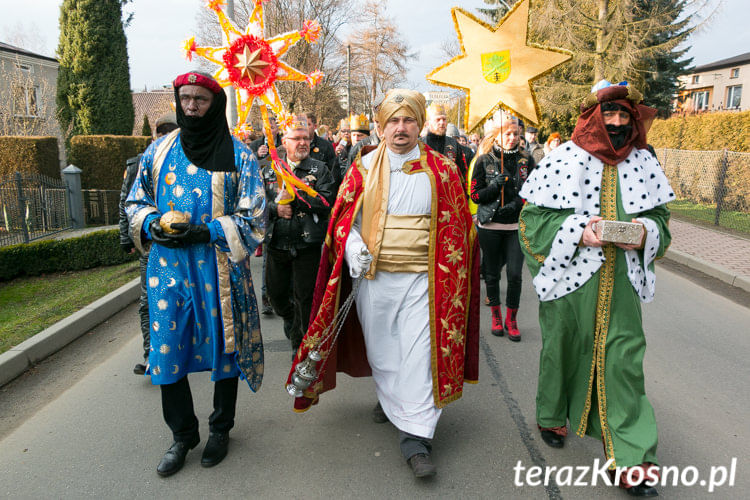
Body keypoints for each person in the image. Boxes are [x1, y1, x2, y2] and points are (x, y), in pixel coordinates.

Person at [286, 89, 480, 478]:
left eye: (408, 120)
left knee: (419, 357)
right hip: (375, 282)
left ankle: (416, 439)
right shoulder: (362, 167)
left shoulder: (442, 170)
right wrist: (353, 244)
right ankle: (393, 402)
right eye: (393, 120)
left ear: (420, 125)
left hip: (425, 284)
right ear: (380, 126)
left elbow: (460, 229)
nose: (401, 127)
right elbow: (344, 221)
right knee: (385, 353)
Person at [518, 81, 675, 497]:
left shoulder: (644, 162)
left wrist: (645, 234)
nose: (619, 123)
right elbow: (531, 223)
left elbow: (662, 221)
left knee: (624, 360)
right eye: (611, 116)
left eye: (625, 116)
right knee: (561, 348)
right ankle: (551, 413)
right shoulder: (563, 159)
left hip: (622, 283)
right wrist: (578, 232)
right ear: (593, 118)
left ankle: (632, 457)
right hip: (570, 281)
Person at [125, 71, 266, 477]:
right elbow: (136, 201)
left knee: (225, 347)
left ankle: (221, 429)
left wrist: (207, 231)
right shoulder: (158, 151)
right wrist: (152, 224)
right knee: (167, 349)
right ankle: (183, 435)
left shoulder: (238, 155)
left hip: (218, 267)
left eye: (200, 100)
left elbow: (256, 215)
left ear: (214, 104)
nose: (190, 106)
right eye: (185, 98)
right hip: (167, 270)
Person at [263, 115, 335, 353]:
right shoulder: (268, 168)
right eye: (296, 138)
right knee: (277, 297)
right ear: (284, 141)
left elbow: (327, 201)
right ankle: (292, 323)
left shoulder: (319, 168)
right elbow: (254, 204)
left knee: (305, 298)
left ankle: (300, 346)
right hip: (277, 243)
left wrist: (297, 199)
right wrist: (275, 208)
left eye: (306, 138)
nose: (303, 143)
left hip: (307, 244)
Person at [120, 112, 178, 375]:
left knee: (176, 299)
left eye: (171, 131)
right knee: (147, 302)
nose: (165, 137)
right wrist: (127, 237)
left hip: (180, 245)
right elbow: (127, 203)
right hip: (150, 244)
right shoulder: (138, 164)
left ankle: (178, 348)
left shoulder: (186, 164)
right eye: (161, 132)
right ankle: (152, 356)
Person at [469, 120, 534, 341]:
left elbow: (534, 191)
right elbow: (475, 196)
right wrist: (495, 186)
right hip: (490, 225)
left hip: (516, 225)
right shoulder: (484, 160)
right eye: (507, 134)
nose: (512, 138)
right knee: (492, 274)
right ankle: (496, 317)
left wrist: (517, 203)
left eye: (516, 134)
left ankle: (512, 319)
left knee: (515, 274)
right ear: (496, 136)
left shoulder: (526, 160)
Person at [422, 103, 470, 181]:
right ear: (428, 123)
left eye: (444, 119)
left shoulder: (454, 144)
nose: (442, 123)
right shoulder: (419, 144)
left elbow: (462, 173)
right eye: (438, 120)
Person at [335, 113, 370, 183]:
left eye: (360, 135)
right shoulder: (344, 152)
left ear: (367, 137)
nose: (356, 138)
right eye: (354, 135)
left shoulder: (373, 151)